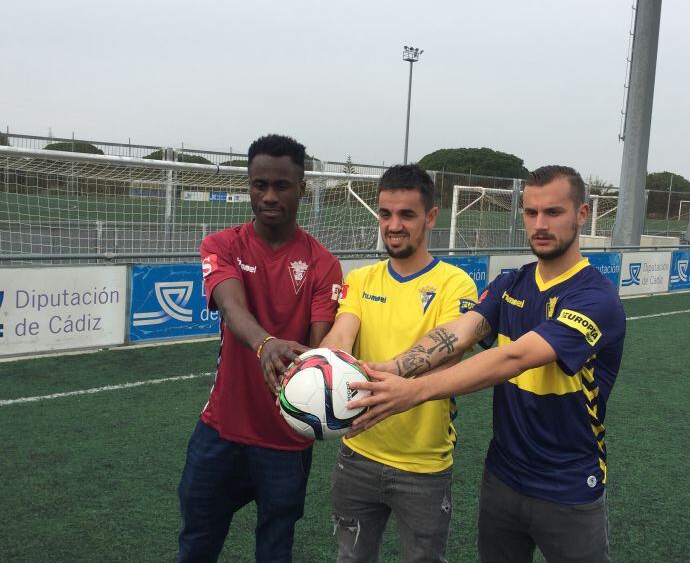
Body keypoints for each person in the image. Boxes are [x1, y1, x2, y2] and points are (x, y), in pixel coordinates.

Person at [348, 166, 627, 563]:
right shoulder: (510, 284)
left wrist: (414, 391)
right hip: (502, 480)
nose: (540, 224)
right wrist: (391, 370)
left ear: (582, 215)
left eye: (553, 212)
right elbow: (459, 333)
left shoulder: (596, 298)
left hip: (569, 487)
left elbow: (514, 358)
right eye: (531, 213)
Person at [177, 134, 343, 562]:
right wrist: (265, 344)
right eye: (259, 185)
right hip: (220, 431)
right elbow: (232, 307)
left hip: (287, 437)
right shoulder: (222, 244)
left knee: (275, 548)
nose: (269, 196)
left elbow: (317, 347)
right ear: (249, 185)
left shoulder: (323, 264)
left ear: (302, 188)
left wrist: (306, 364)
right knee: (197, 543)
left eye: (281, 186)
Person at [318, 164, 478, 563]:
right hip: (357, 454)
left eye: (407, 214)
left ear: (431, 217)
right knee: (351, 559)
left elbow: (448, 352)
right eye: (386, 214)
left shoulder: (455, 283)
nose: (393, 225)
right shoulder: (363, 277)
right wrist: (321, 361)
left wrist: (386, 372)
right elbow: (343, 330)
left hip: (423, 464)